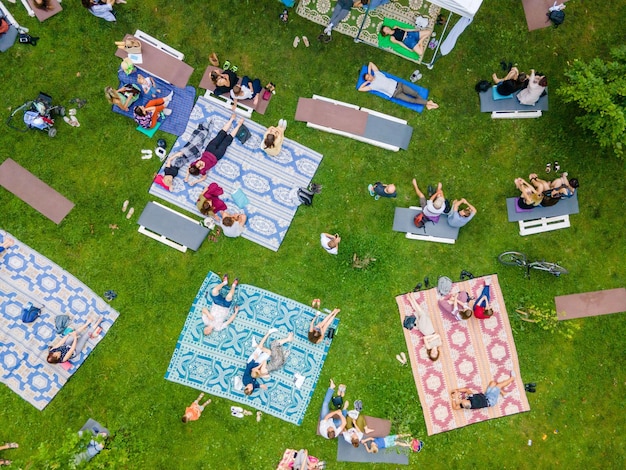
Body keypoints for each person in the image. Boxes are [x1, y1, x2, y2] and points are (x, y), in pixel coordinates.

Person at [186, 114, 245, 185]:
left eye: (197, 164)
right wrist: (194, 182)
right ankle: (239, 125)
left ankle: (232, 119)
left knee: (220, 135)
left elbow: (189, 168)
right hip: (217, 155)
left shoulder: (193, 164)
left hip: (209, 150)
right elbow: (203, 177)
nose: (199, 164)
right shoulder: (202, 171)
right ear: (199, 170)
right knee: (227, 140)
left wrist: (187, 177)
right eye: (199, 166)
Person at [359, 62, 439, 109]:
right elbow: (360, 89)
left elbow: (370, 63)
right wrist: (366, 82)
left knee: (415, 94)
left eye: (368, 76)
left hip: (400, 85)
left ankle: (427, 104)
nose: (369, 78)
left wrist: (369, 72)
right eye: (367, 78)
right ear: (368, 80)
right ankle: (428, 103)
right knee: (412, 101)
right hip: (396, 94)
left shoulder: (377, 74)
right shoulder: (372, 86)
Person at [243, 329, 294, 396]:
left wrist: (254, 360)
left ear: (246, 386)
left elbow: (249, 368)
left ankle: (261, 340)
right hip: (260, 365)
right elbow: (255, 385)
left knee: (263, 349)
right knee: (271, 349)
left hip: (252, 363)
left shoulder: (245, 380)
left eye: (249, 387)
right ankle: (257, 345)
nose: (251, 386)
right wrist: (261, 385)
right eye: (251, 388)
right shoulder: (255, 381)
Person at [403, 296, 442, 361]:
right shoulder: (439, 344)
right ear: (437, 353)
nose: (433, 353)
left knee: (422, 314)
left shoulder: (428, 347)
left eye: (432, 354)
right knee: (420, 312)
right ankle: (410, 299)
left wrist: (434, 336)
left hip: (425, 329)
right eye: (435, 354)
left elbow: (425, 338)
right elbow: (437, 335)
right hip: (430, 327)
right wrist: (432, 338)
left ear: (430, 353)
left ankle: (412, 298)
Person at [451, 375, 516, 410]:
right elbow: (467, 390)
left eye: (463, 400)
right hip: (491, 401)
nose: (463, 399)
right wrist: (457, 390)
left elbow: (455, 407)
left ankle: (503, 393)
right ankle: (512, 378)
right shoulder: (472, 399)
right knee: (499, 385)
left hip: (486, 396)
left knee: (493, 383)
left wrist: (454, 398)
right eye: (464, 399)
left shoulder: (466, 405)